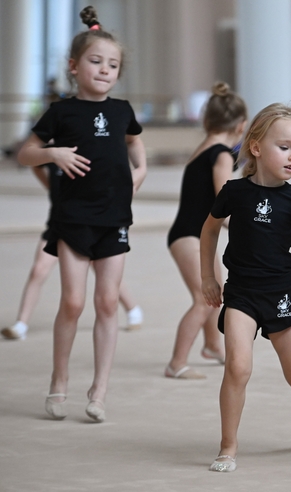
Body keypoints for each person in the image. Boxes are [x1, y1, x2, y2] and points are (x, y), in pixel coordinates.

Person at [16, 6, 147, 423]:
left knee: (107, 302)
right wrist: (51, 152)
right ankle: (59, 379)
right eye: (96, 62)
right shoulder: (61, 112)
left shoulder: (123, 110)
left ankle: (99, 390)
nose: (105, 70)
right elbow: (23, 154)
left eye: (113, 65)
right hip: (74, 219)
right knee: (72, 303)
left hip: (114, 219)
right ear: (74, 67)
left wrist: (137, 176)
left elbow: (136, 151)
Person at [200, 103, 291, 472]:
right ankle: (228, 446)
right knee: (238, 368)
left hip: (281, 297)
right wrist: (208, 277)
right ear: (256, 147)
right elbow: (209, 229)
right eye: (285, 147)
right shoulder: (234, 191)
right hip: (241, 294)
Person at [2, 164, 143, 341]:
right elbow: (34, 165)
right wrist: (52, 188)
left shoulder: (84, 150)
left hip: (82, 226)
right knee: (38, 270)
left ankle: (133, 309)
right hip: (57, 223)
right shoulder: (50, 152)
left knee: (102, 272)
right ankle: (21, 324)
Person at [164, 82, 247, 379]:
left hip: (195, 234)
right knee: (202, 300)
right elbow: (224, 201)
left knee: (215, 294)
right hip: (190, 235)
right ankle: (177, 362)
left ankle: (212, 345)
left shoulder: (204, 148)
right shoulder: (222, 154)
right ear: (241, 125)